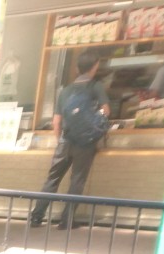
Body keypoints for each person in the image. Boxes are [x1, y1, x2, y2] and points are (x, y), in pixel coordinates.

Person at [29, 50, 108, 230]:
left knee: (52, 179)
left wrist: (61, 141)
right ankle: (66, 220)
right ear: (94, 67)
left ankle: (36, 217)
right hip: (85, 143)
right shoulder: (96, 86)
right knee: (77, 180)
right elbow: (106, 111)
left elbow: (56, 121)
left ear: (76, 68)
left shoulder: (65, 90)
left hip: (65, 140)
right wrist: (95, 122)